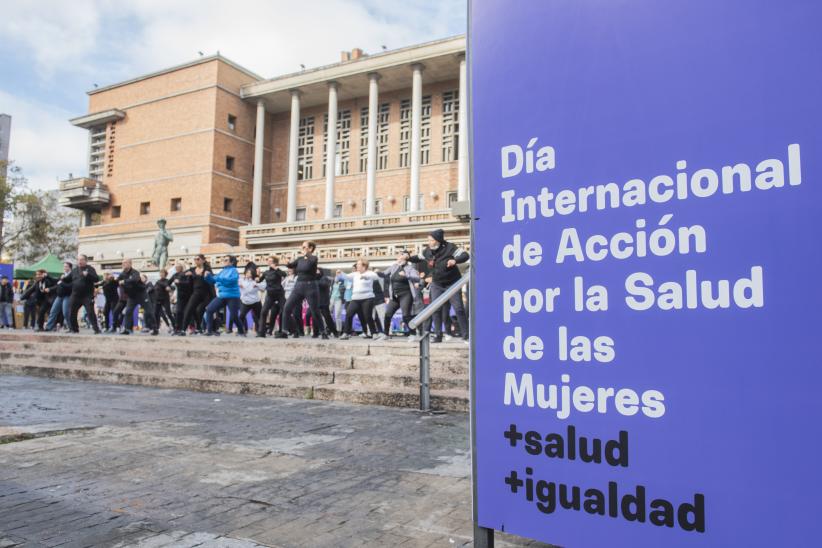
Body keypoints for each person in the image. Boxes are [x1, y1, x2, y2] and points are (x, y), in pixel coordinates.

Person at [409, 229, 470, 343]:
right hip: (437, 283)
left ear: (438, 241)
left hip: (452, 283)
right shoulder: (427, 251)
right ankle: (438, 335)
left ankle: (466, 336)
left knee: (458, 309)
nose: (429, 242)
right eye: (428, 240)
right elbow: (417, 257)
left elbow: (465, 255)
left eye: (431, 240)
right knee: (435, 309)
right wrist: (408, 257)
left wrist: (455, 261)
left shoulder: (450, 247)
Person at [282, 241, 326, 339]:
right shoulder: (299, 259)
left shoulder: (313, 258)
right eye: (302, 247)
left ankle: (323, 332)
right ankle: (284, 331)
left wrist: (306, 255)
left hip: (310, 286)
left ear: (310, 249)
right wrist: (287, 262)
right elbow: (291, 265)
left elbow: (307, 266)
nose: (302, 248)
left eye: (304, 247)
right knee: (287, 307)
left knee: (315, 311)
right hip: (299, 285)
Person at [379, 251, 421, 341]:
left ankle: (413, 334)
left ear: (405, 258)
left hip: (406, 294)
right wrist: (377, 272)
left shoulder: (410, 268)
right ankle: (385, 334)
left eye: (400, 255)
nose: (398, 257)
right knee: (387, 314)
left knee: (406, 315)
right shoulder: (394, 267)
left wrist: (406, 275)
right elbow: (384, 274)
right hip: (394, 295)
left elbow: (417, 278)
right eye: (398, 255)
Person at [339, 258, 379, 340]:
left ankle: (374, 333)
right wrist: (341, 273)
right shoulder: (355, 274)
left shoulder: (370, 273)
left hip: (367, 298)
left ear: (364, 266)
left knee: (367, 316)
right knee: (349, 314)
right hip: (355, 299)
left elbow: (375, 277)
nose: (357, 265)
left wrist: (365, 276)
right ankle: (346, 333)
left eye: (358, 264)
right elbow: (346, 277)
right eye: (357, 264)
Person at [204, 255, 243, 336]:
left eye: (226, 260)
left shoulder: (234, 270)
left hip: (233, 296)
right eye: (223, 260)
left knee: (234, 316)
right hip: (222, 296)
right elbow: (213, 281)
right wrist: (207, 276)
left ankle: (241, 331)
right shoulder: (222, 271)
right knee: (209, 310)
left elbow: (231, 281)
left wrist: (219, 279)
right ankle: (209, 330)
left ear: (231, 262)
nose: (224, 261)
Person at [117, 258, 156, 335]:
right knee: (128, 311)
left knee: (149, 311)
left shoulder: (135, 272)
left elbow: (135, 279)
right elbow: (117, 281)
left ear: (130, 264)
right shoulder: (122, 274)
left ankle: (154, 328)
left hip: (141, 294)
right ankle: (127, 329)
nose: (123, 264)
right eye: (122, 263)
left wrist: (124, 281)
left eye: (125, 263)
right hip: (132, 296)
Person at [66, 255, 101, 334]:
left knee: (90, 312)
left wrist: (88, 275)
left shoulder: (90, 269)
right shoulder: (74, 270)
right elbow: (67, 279)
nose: (80, 261)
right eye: (78, 260)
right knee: (71, 311)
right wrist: (61, 279)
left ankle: (96, 329)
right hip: (75, 295)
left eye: (81, 260)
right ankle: (74, 329)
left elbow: (96, 279)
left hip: (87, 295)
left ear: (86, 261)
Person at [180, 255, 212, 335]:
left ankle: (211, 329)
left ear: (203, 260)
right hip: (196, 293)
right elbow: (181, 275)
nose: (196, 260)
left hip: (206, 294)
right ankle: (183, 330)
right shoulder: (192, 270)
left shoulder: (207, 270)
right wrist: (186, 274)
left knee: (200, 311)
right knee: (189, 309)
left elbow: (212, 280)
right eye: (195, 259)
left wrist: (208, 275)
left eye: (198, 259)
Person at [256, 256, 287, 338]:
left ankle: (283, 331)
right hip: (270, 294)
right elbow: (259, 280)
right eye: (268, 260)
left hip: (279, 293)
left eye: (270, 261)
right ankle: (261, 332)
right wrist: (256, 278)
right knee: (263, 311)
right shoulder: (266, 272)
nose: (268, 262)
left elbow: (284, 275)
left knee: (284, 311)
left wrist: (276, 268)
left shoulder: (278, 271)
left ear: (275, 262)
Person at [45, 262, 73, 331]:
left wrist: (62, 282)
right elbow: (57, 283)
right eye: (64, 266)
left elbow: (70, 286)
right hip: (59, 296)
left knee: (66, 312)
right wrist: (48, 277)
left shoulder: (72, 276)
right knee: (53, 311)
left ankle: (71, 327)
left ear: (70, 267)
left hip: (67, 296)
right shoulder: (62, 275)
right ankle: (48, 327)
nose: (64, 268)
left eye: (66, 266)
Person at [169, 263, 191, 335]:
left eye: (178, 267)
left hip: (188, 295)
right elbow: (168, 282)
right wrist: (170, 288)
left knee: (187, 312)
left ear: (181, 268)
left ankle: (189, 328)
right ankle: (177, 328)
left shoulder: (185, 274)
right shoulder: (175, 275)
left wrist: (179, 282)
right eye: (176, 267)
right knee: (178, 312)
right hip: (180, 296)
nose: (177, 268)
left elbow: (188, 283)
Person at [316, 268, 338, 338]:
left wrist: (316, 280)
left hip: (324, 302)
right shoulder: (313, 279)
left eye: (317, 270)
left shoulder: (324, 278)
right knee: (315, 317)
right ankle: (316, 332)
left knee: (327, 317)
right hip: (316, 301)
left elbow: (324, 285)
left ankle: (335, 332)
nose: (316, 272)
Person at [239, 268, 263, 333]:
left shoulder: (256, 281)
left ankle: (259, 331)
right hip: (245, 302)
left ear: (252, 274)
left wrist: (257, 284)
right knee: (241, 315)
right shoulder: (241, 280)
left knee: (258, 316)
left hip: (255, 301)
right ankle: (243, 330)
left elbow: (263, 288)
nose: (247, 274)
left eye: (249, 273)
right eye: (247, 272)